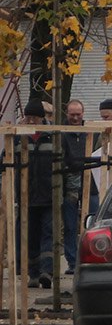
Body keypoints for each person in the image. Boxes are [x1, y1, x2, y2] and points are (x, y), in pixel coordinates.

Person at [21, 98, 54, 287]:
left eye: (35, 117)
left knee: (48, 234)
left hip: (49, 195)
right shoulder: (19, 137)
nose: (31, 121)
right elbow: (5, 162)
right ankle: (33, 274)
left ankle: (46, 272)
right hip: (27, 195)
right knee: (30, 235)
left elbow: (67, 164)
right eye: (28, 117)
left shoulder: (53, 136)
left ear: (42, 118)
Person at [59, 98, 86, 275]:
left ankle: (87, 260)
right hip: (69, 185)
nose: (75, 118)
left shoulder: (91, 132)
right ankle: (72, 262)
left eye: (78, 114)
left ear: (83, 114)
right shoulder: (61, 133)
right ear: (66, 114)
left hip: (91, 184)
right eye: (72, 115)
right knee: (70, 225)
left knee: (90, 223)